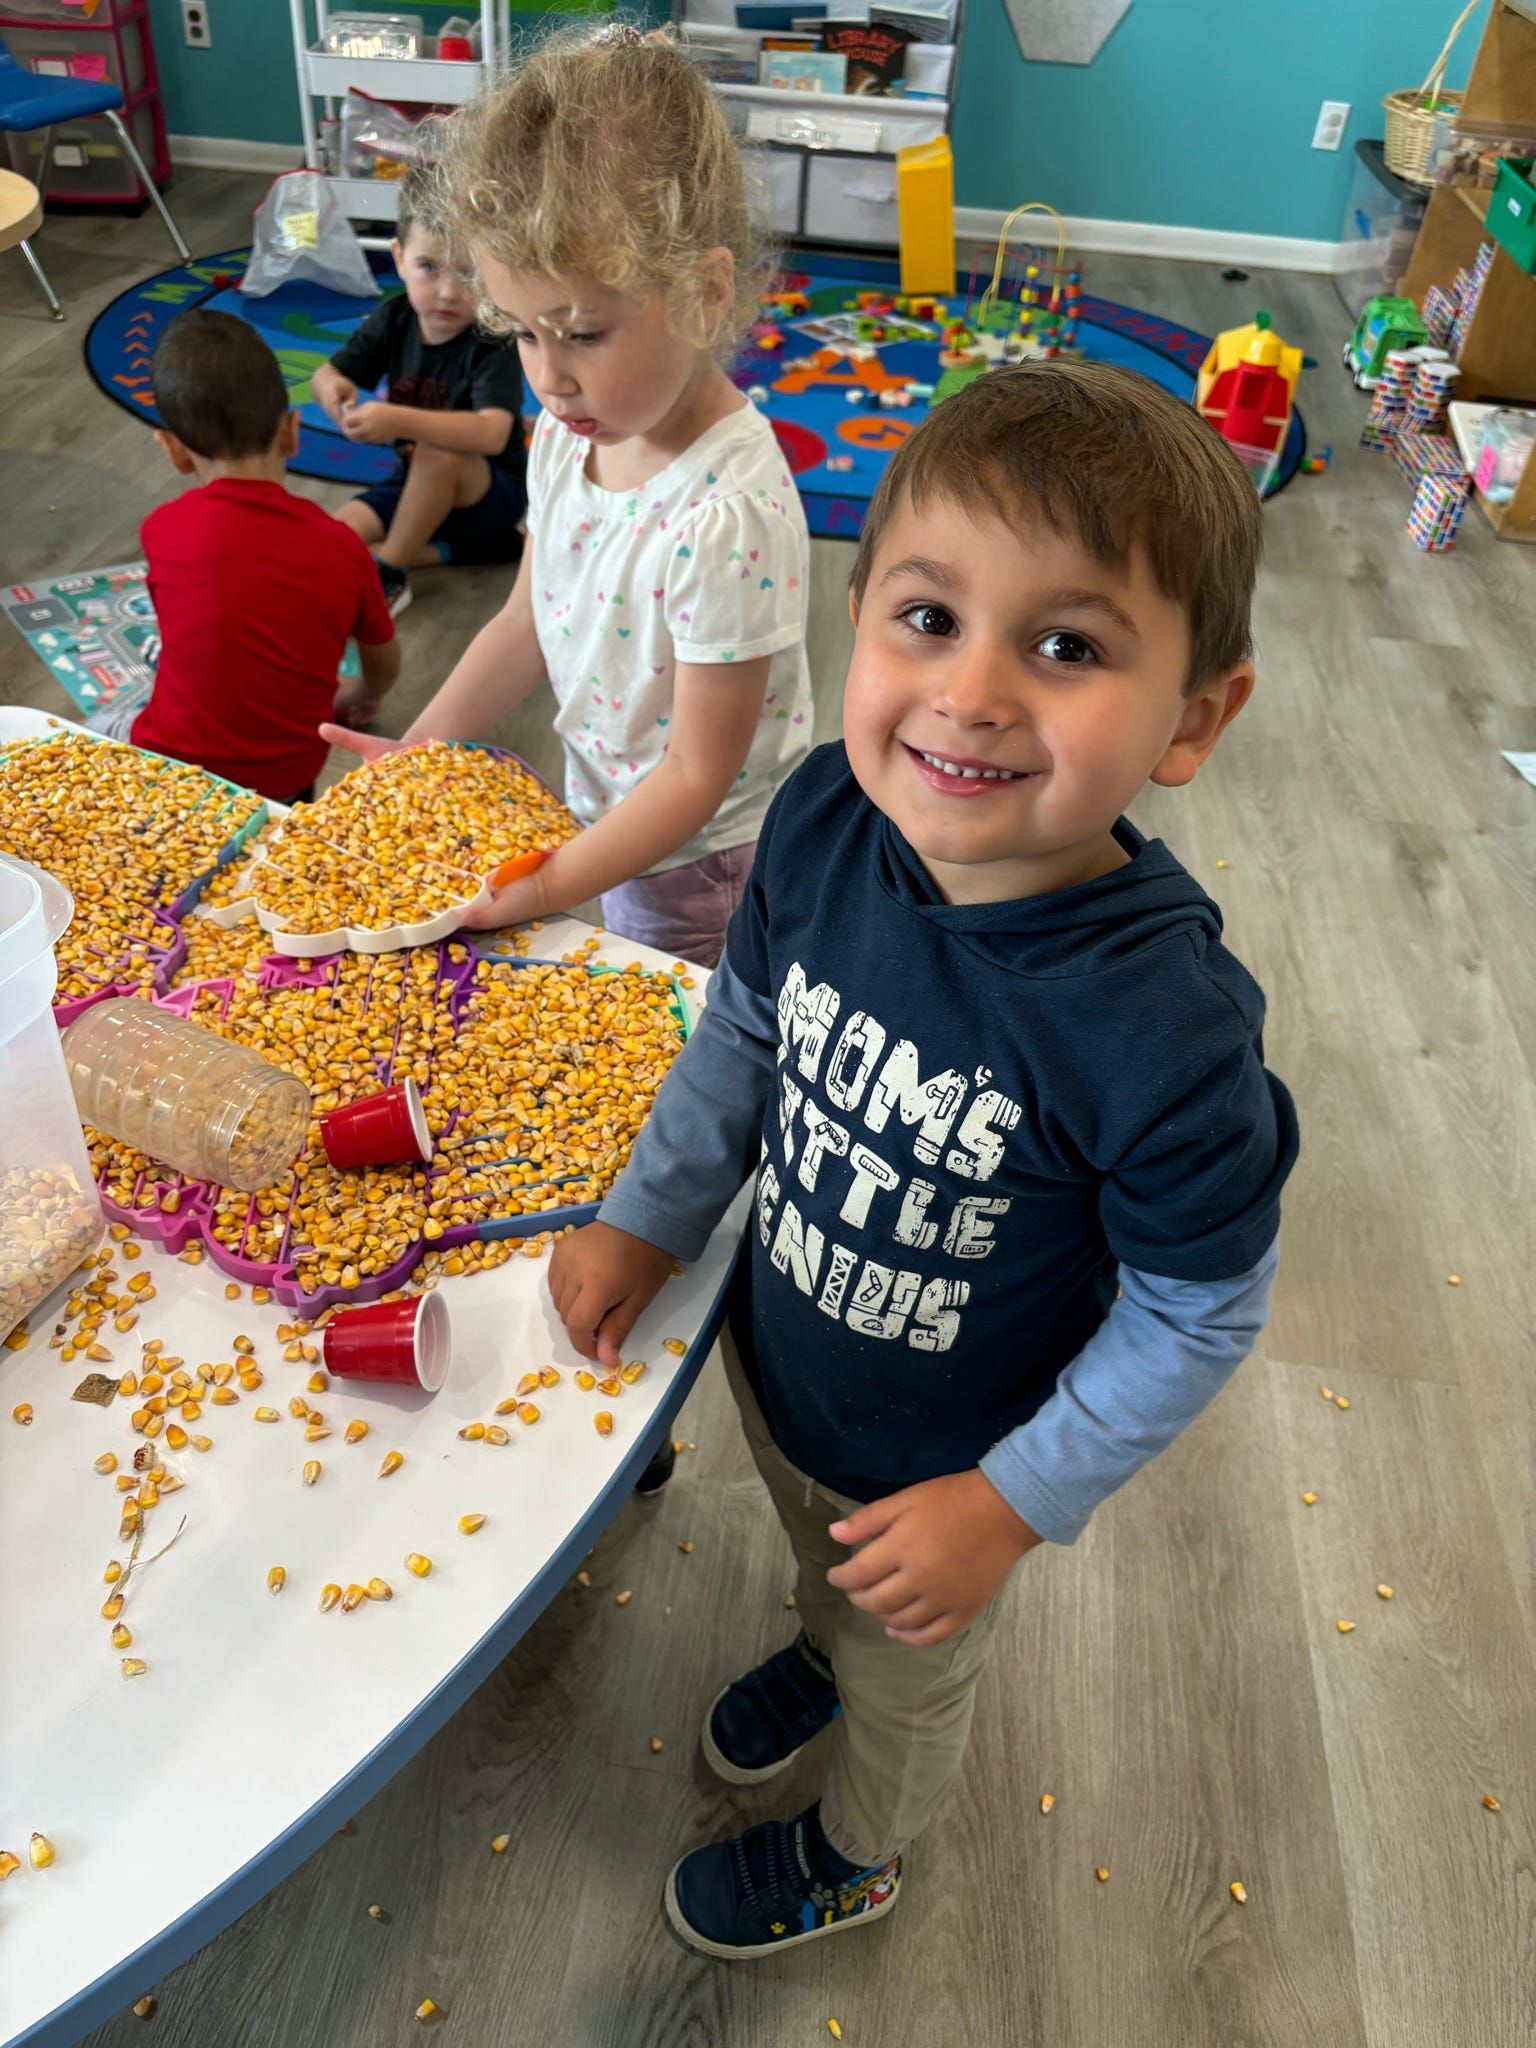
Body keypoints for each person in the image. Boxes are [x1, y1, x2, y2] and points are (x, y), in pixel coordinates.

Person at [547, 360, 1300, 1957]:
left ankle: (861, 1851)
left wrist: (1010, 1504)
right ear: (856, 612)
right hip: (786, 1363)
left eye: (1069, 645)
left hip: (956, 1458)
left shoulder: (1162, 1027)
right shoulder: (823, 817)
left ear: (1195, 718)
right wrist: (653, 1213)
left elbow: (1199, 1312)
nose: (969, 694)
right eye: (926, 617)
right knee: (826, 1570)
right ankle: (824, 1638)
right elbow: (743, 1038)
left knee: (908, 1680)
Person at [320, 24, 812, 968]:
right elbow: (524, 622)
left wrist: (551, 885)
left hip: (707, 859)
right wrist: (421, 752)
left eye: (581, 333)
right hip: (612, 820)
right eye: (520, 332)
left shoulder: (727, 516)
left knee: (698, 1048)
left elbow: (699, 774)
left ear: (708, 295)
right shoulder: (561, 436)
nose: (548, 378)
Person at [93, 309, 399, 805]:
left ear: (173, 450)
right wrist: (362, 693)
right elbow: (384, 658)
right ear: (292, 431)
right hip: (288, 783)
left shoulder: (162, 530)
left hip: (171, 773)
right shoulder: (343, 544)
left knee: (91, 727)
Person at [311, 164, 529, 617]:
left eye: (469, 275)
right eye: (429, 267)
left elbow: (491, 434)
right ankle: (454, 549)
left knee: (437, 454)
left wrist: (396, 419)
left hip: (492, 493)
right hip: (416, 484)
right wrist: (338, 396)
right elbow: (326, 375)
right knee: (336, 534)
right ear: (399, 258)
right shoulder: (394, 320)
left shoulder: (494, 338)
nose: (448, 292)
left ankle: (389, 570)